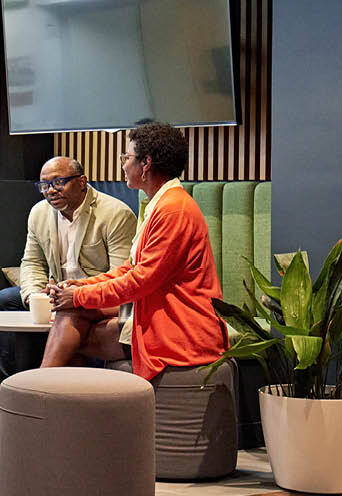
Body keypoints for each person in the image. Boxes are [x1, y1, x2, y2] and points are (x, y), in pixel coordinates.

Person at [43, 122, 229, 381]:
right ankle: (54, 407)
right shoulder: (160, 203)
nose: (123, 164)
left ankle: (36, 399)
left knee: (72, 328)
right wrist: (80, 287)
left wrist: (79, 295)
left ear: (146, 164)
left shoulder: (173, 209)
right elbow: (130, 268)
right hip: (158, 314)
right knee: (71, 325)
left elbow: (140, 280)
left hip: (180, 326)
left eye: (127, 157)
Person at [0, 156, 136, 422]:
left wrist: (77, 293)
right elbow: (31, 262)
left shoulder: (115, 213)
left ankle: (34, 397)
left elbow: (119, 275)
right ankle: (5, 388)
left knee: (73, 310)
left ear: (81, 182)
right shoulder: (39, 213)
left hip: (97, 296)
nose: (50, 191)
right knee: (2, 301)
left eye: (58, 182)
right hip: (55, 292)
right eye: (43, 185)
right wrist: (33, 296)